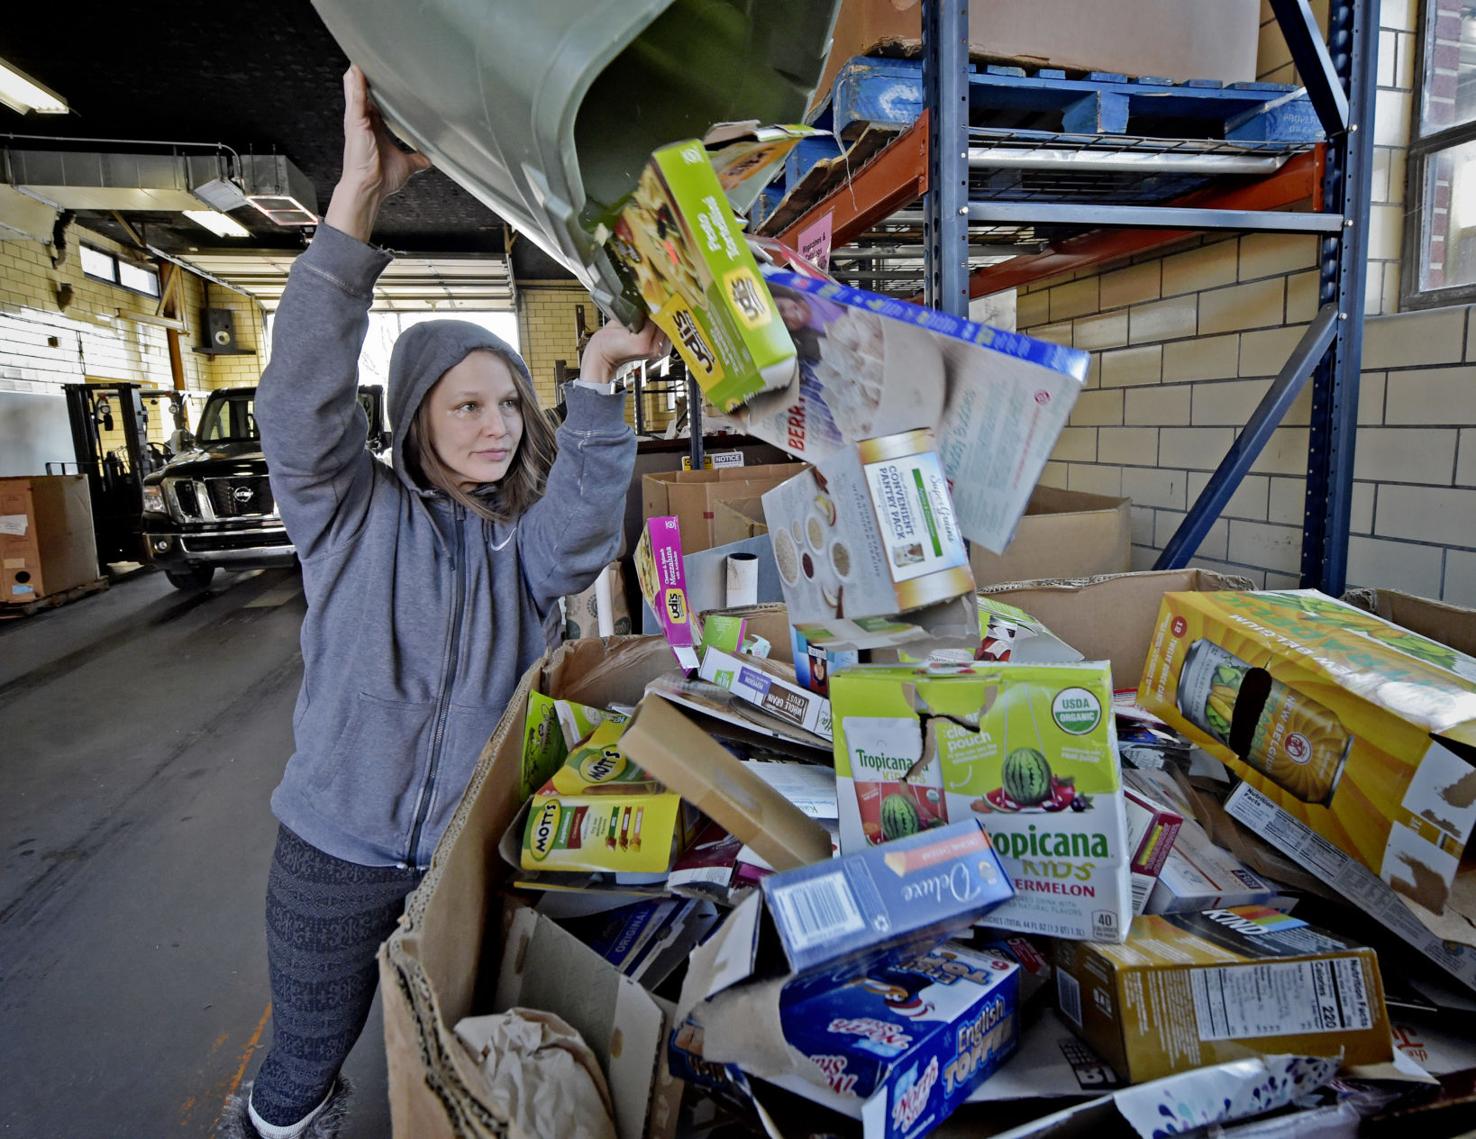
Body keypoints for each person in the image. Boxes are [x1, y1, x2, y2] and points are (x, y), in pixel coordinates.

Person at [222, 66, 667, 1139]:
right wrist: (355, 204)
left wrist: (598, 378)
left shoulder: (521, 542)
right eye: (467, 405)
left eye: (508, 402)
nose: (497, 425)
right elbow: (299, 403)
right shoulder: (349, 512)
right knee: (299, 1073)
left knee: (461, 1060)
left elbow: (580, 538)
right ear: (417, 413)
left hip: (471, 854)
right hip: (334, 853)